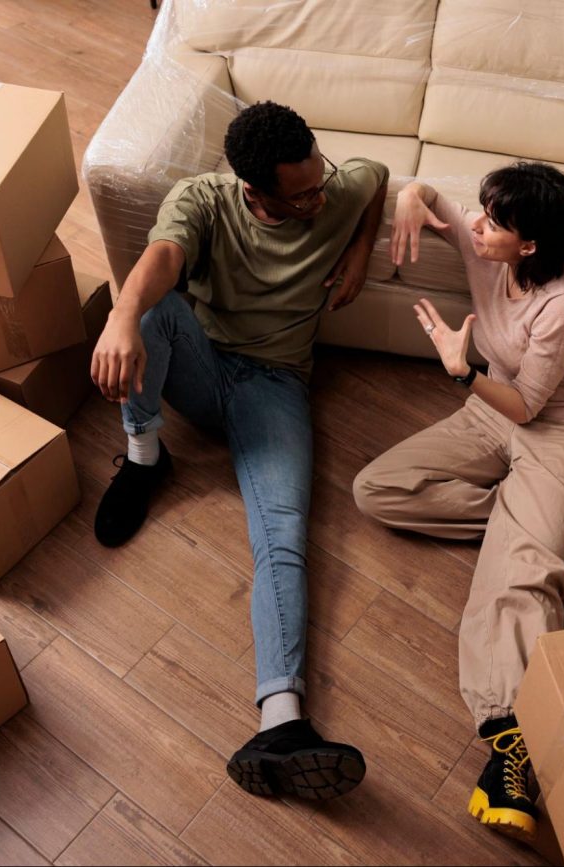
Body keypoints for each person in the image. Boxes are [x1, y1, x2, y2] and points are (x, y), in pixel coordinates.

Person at [90, 101, 388, 801]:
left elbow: (377, 182)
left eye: (322, 180)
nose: (322, 196)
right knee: (152, 310)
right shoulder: (205, 200)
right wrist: (123, 314)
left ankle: (281, 720)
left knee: (283, 538)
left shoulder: (338, 186)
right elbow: (163, 258)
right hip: (200, 359)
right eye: (305, 193)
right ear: (256, 191)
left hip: (275, 386)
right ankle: (144, 457)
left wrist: (361, 249)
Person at [352, 163, 564, 839]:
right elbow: (432, 195)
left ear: (528, 244)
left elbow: (530, 405)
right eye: (484, 211)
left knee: (517, 579)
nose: (476, 225)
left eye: (493, 221)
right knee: (376, 488)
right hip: (490, 410)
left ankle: (511, 737)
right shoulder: (490, 245)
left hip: (557, 429)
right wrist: (412, 196)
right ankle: (544, 526)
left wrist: (462, 370)